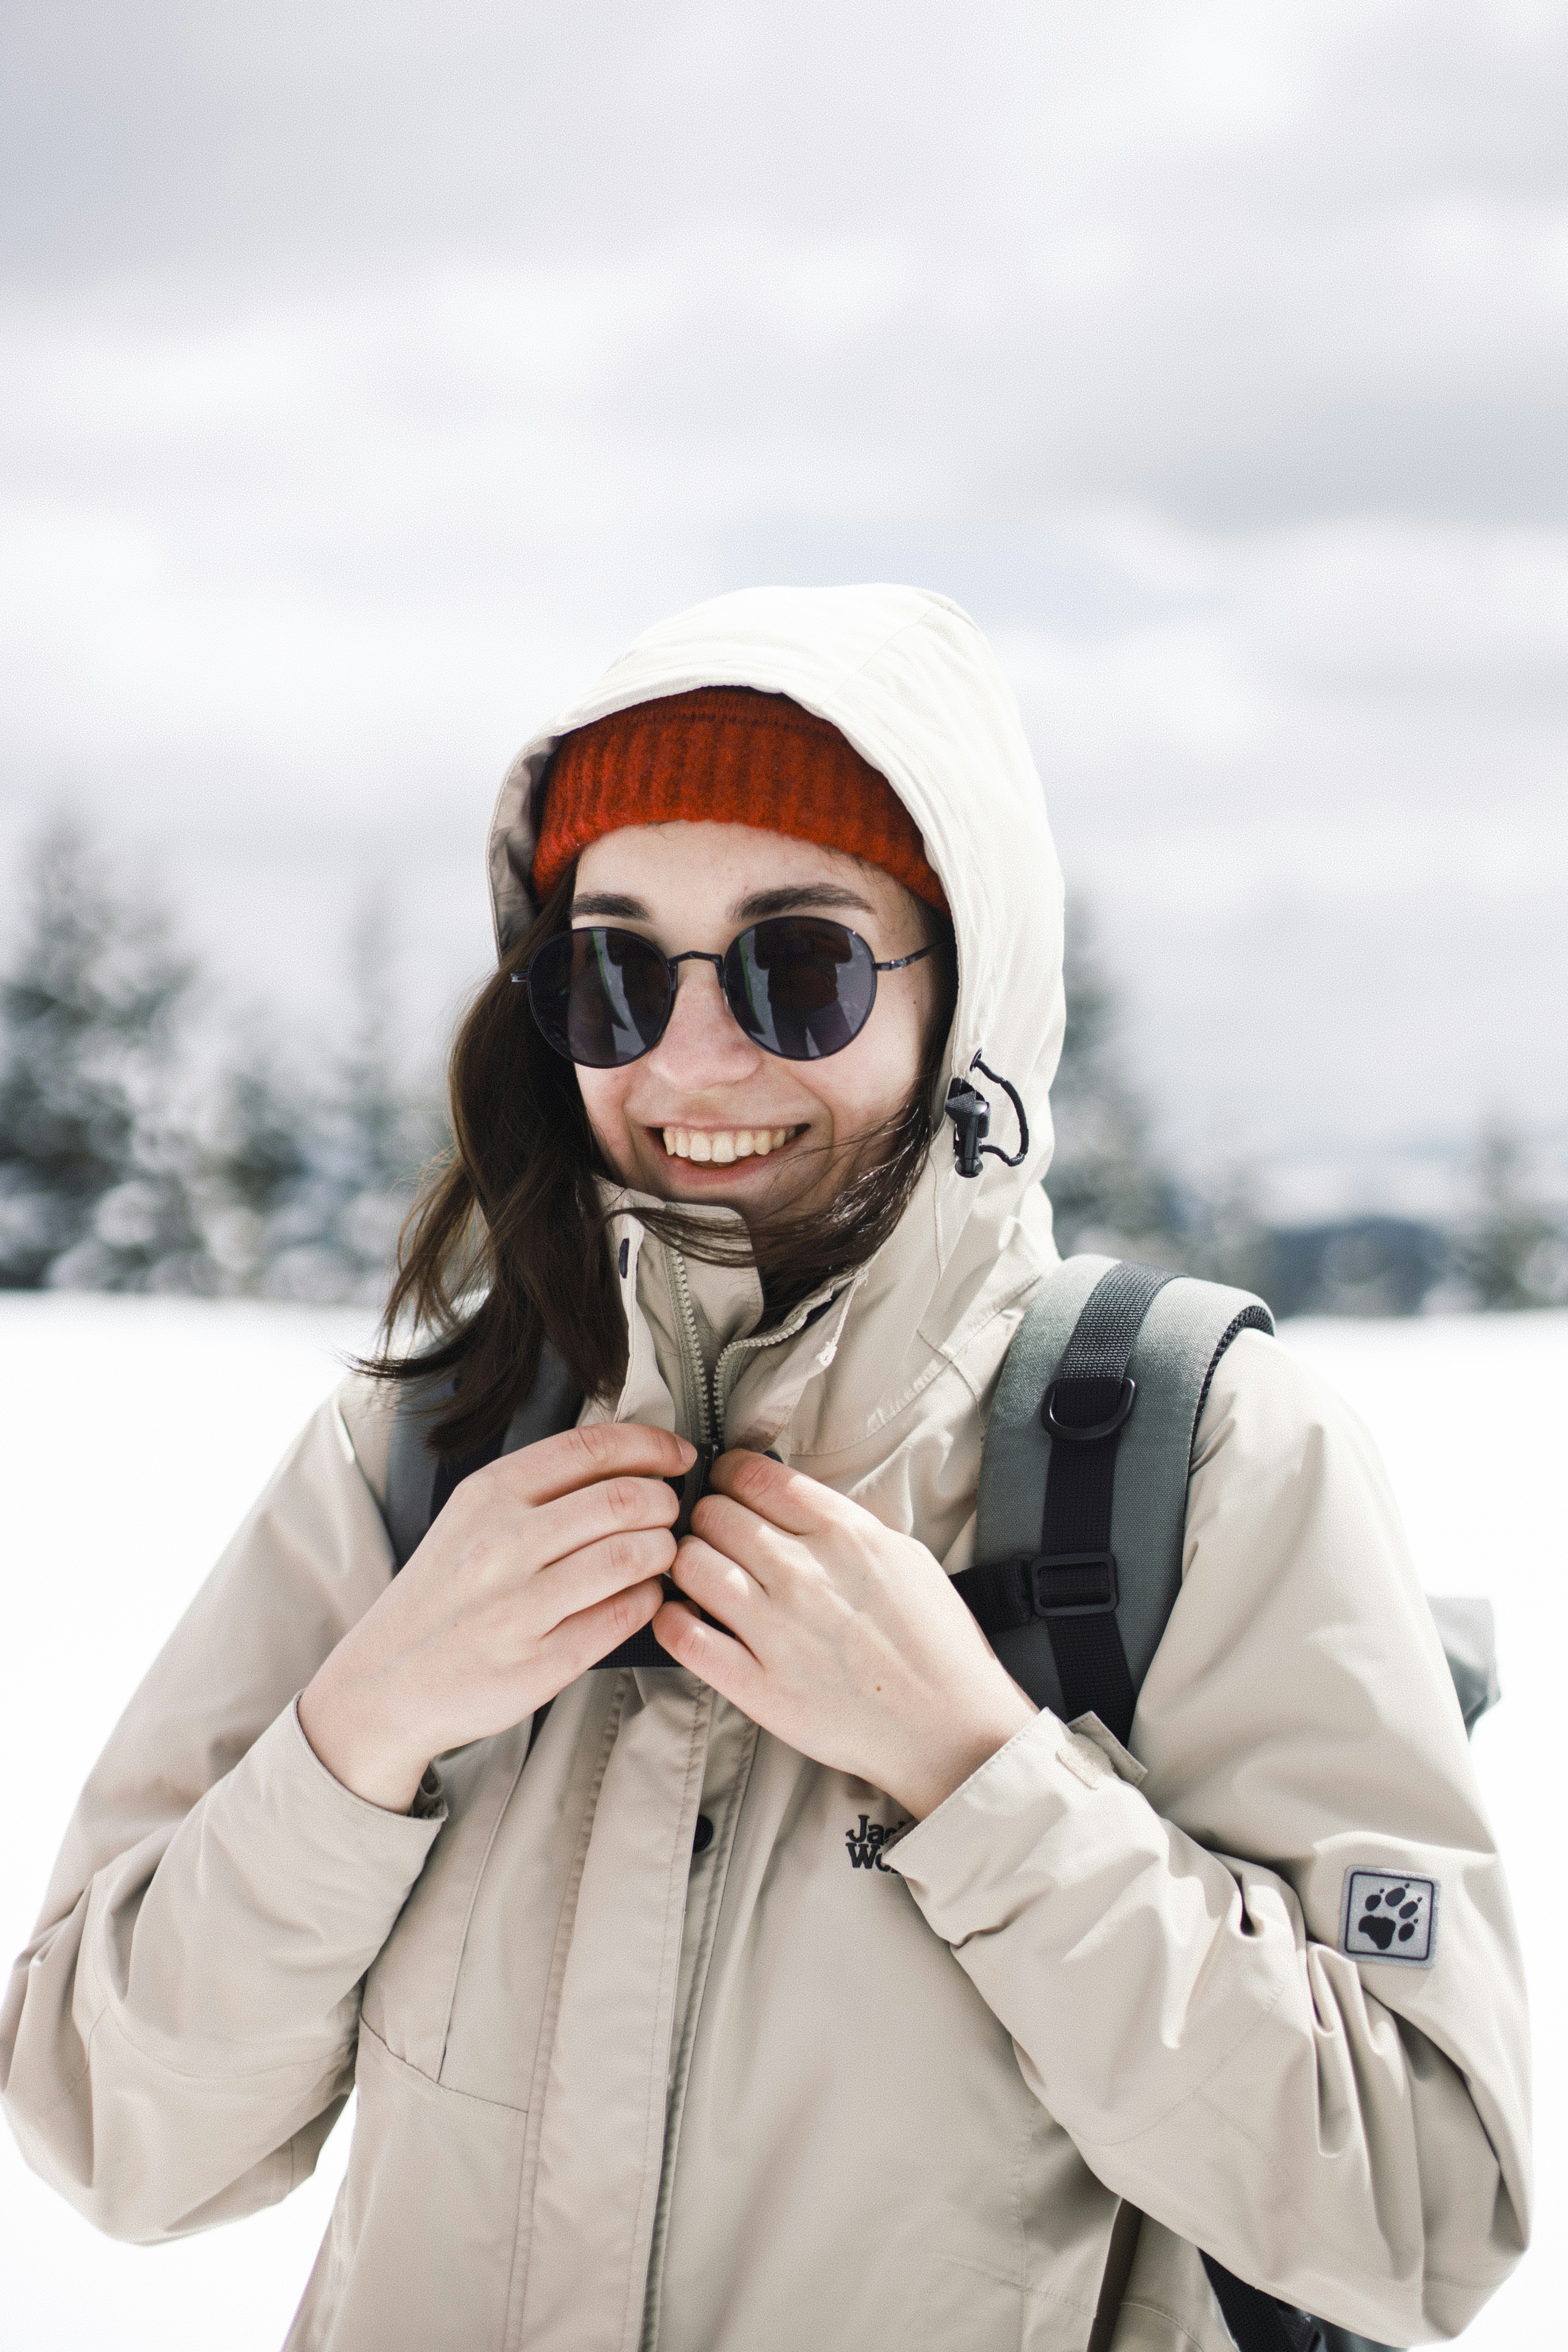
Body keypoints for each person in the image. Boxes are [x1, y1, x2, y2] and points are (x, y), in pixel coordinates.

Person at [1, 586, 1529, 2352]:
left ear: (967, 987)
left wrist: (979, 1779)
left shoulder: (1205, 1462)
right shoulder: (420, 1455)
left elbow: (1418, 2214)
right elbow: (115, 2133)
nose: (691, 1060)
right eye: (613, 970)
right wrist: (363, 1732)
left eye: (799, 967)